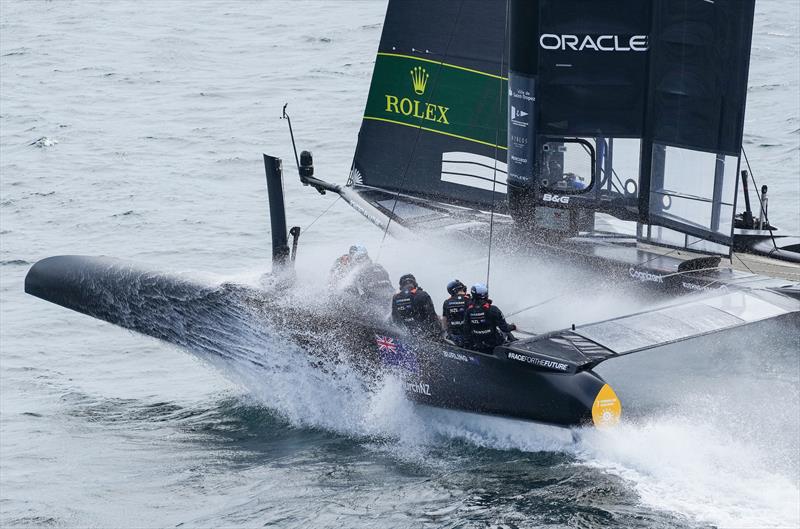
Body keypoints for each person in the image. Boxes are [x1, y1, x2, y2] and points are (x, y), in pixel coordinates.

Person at [464, 283, 516, 353]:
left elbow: (466, 329)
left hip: (478, 345)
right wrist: (513, 326)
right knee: (507, 333)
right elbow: (505, 328)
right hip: (494, 344)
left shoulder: (468, 310)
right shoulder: (494, 309)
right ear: (486, 295)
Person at [391, 273, 440, 337]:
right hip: (425, 334)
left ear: (401, 285)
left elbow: (395, 318)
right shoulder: (422, 294)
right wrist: (438, 333)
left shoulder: (395, 297)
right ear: (414, 283)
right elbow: (432, 315)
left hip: (405, 334)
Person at [441, 279, 471, 347]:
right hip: (467, 336)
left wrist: (445, 333)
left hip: (453, 336)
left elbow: (444, 320)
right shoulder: (469, 300)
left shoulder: (447, 302)